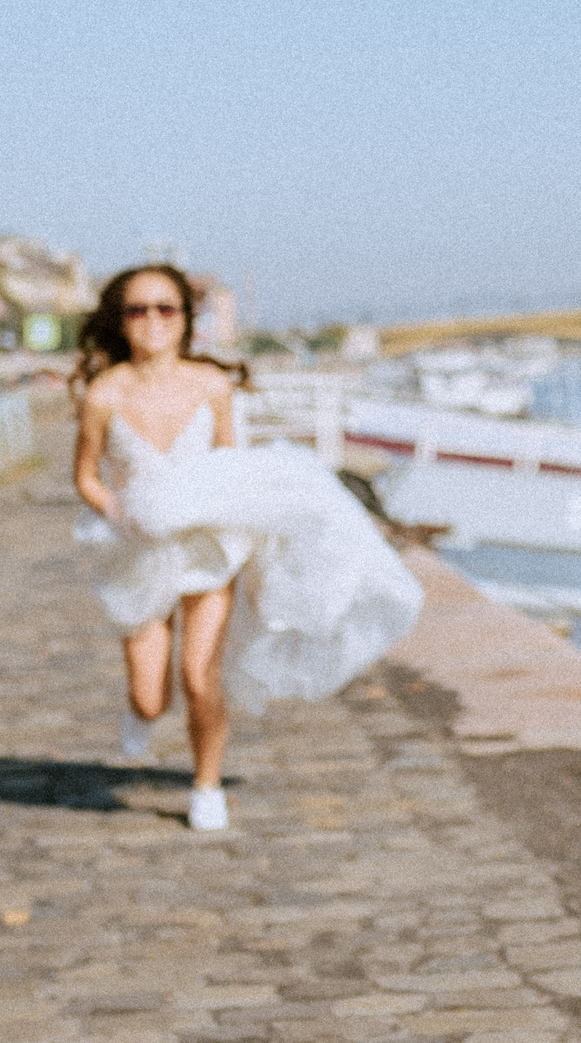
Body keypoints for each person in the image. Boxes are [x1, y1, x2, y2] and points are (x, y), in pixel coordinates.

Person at [71, 264, 424, 832]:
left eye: (167, 309)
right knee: (149, 696)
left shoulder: (212, 386)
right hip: (138, 552)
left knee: (199, 674)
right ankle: (141, 714)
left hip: (209, 551)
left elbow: (235, 471)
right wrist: (119, 511)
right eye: (138, 310)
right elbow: (86, 475)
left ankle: (205, 784)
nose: (153, 321)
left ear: (186, 320)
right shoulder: (103, 394)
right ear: (120, 320)